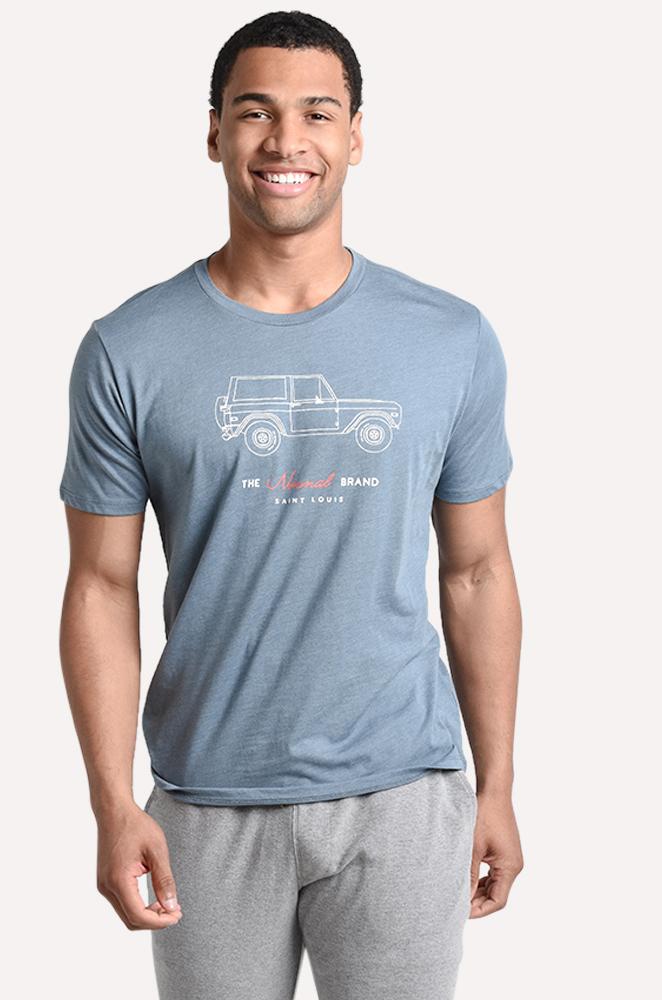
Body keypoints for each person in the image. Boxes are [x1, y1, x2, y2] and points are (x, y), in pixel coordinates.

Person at [58, 10, 524, 999]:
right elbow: (100, 584)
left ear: (355, 137)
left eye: (317, 113)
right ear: (215, 133)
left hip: (404, 792)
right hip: (206, 800)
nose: (285, 141)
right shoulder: (128, 349)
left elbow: (478, 570)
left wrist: (498, 785)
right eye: (255, 112)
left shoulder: (449, 339)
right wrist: (110, 804)